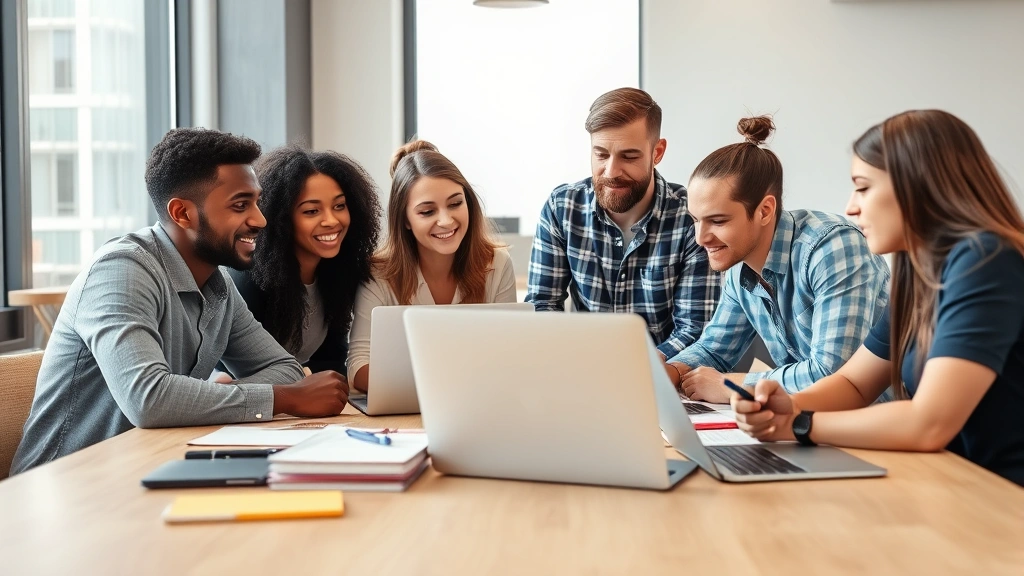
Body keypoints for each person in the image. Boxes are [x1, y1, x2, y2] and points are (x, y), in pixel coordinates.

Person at [11, 128, 348, 475]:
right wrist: (284, 398)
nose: (260, 219)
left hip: (145, 469)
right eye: (240, 205)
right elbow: (150, 400)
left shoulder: (218, 286)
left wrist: (193, 399)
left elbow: (286, 370)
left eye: (257, 202)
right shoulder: (121, 271)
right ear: (183, 214)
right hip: (62, 487)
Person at [731, 110, 1024, 487]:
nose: (851, 206)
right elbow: (855, 383)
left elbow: (928, 423)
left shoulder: (986, 259)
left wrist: (799, 425)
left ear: (917, 185)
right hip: (956, 484)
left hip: (1003, 499)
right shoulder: (919, 275)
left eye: (863, 187)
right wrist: (789, 405)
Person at [665, 116, 890, 403]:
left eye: (718, 221)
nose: (701, 237)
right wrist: (667, 372)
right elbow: (714, 350)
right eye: (696, 220)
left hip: (877, 427)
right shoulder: (740, 268)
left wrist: (734, 386)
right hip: (806, 425)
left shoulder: (832, 248)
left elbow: (834, 374)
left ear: (765, 210)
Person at [527, 87, 720, 358]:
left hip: (663, 378)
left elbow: (694, 330)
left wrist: (635, 371)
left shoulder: (691, 217)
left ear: (657, 152)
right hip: (581, 371)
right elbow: (542, 307)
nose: (611, 171)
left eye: (629, 156)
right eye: (601, 155)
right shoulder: (562, 208)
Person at [348, 140, 516, 392]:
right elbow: (359, 366)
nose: (446, 221)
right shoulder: (378, 273)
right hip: (406, 409)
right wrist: (443, 385)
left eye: (455, 203)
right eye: (427, 212)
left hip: (478, 406)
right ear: (405, 219)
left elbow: (511, 355)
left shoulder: (497, 264)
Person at [226, 145, 382, 375]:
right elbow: (245, 370)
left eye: (339, 206)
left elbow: (332, 362)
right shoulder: (248, 279)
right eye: (311, 211)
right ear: (281, 219)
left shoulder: (339, 273)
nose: (331, 220)